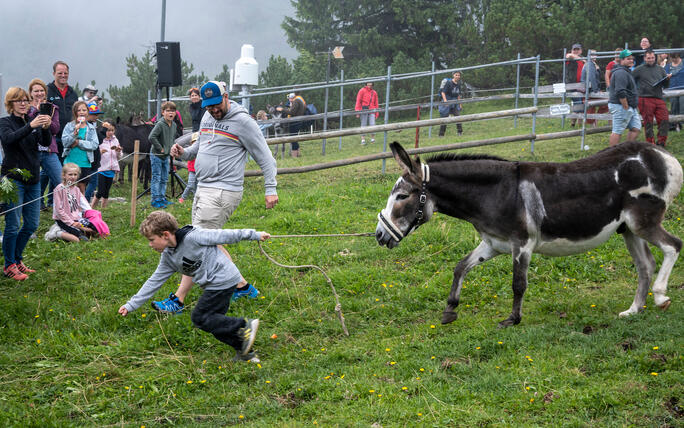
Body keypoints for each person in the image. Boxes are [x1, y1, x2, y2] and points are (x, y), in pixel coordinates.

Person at [153, 80, 278, 314]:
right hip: (203, 187)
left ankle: (178, 300)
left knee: (195, 242)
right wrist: (184, 152)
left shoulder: (243, 122)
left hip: (223, 190)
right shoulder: (208, 116)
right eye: (208, 106)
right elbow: (201, 145)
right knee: (210, 240)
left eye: (217, 104)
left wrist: (270, 188)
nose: (213, 110)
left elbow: (266, 158)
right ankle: (241, 286)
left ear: (227, 96)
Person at [118, 210, 268, 362]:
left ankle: (243, 326)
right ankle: (245, 352)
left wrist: (255, 234)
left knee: (200, 317)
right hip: (215, 284)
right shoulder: (168, 257)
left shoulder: (194, 237)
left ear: (165, 234)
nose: (150, 245)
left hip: (223, 279)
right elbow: (154, 281)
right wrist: (131, 304)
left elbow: (226, 235)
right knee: (214, 323)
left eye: (151, 240)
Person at [0, 87, 52, 280]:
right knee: (12, 225)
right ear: (10, 103)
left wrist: (45, 128)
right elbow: (9, 139)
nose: (23, 103)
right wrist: (31, 125)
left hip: (33, 179)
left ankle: (17, 260)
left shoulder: (31, 122)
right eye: (18, 100)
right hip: (13, 179)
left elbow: (44, 144)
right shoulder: (4, 122)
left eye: (26, 100)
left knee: (31, 224)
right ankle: (9, 265)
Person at [27, 78, 61, 210]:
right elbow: (26, 126)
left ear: (45, 92)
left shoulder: (52, 108)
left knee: (60, 180)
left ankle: (63, 209)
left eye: (42, 90)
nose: (39, 93)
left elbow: (56, 129)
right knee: (31, 182)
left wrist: (48, 121)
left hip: (49, 150)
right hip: (31, 150)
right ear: (31, 93)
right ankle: (34, 206)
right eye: (36, 91)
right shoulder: (25, 108)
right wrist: (37, 111)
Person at [632, 49, 671, 146]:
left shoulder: (660, 69)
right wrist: (635, 91)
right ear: (645, 58)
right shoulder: (639, 69)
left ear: (655, 57)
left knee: (664, 120)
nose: (650, 60)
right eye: (648, 58)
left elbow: (666, 85)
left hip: (658, 98)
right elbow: (629, 79)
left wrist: (667, 79)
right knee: (648, 122)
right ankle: (650, 143)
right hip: (645, 98)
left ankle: (661, 142)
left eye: (652, 57)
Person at [48, 163, 96, 242]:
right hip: (63, 220)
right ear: (64, 175)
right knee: (78, 239)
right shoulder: (59, 189)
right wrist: (71, 223)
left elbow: (83, 204)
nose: (73, 177)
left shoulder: (76, 189)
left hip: (75, 219)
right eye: (70, 174)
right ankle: (55, 233)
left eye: (75, 174)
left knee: (92, 231)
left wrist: (91, 215)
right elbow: (58, 210)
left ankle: (74, 230)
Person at [61, 101, 99, 196]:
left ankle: (80, 210)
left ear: (87, 112)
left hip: (84, 162)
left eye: (84, 110)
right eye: (79, 110)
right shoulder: (69, 126)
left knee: (82, 188)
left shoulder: (91, 128)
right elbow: (65, 142)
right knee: (68, 188)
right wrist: (74, 134)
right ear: (75, 112)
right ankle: (68, 209)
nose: (81, 112)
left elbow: (94, 145)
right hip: (70, 161)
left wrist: (78, 142)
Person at [608, 50, 641, 147]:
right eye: (628, 59)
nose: (631, 61)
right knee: (617, 131)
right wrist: (625, 106)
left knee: (635, 128)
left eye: (632, 59)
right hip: (620, 105)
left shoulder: (626, 71)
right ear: (622, 60)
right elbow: (620, 91)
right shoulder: (621, 73)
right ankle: (611, 155)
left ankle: (626, 150)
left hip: (630, 106)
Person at [46, 61, 78, 161]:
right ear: (53, 73)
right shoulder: (47, 91)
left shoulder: (73, 93)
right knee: (52, 169)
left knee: (68, 168)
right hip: (53, 138)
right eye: (60, 73)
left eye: (65, 73)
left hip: (69, 137)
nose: (63, 75)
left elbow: (77, 114)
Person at [148, 101, 177, 208]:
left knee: (164, 178)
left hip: (166, 156)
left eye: (173, 111)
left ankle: (162, 197)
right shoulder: (160, 124)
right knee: (157, 177)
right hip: (157, 155)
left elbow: (171, 139)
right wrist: (160, 148)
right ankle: (155, 200)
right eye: (168, 111)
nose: (170, 113)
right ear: (163, 112)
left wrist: (172, 149)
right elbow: (152, 137)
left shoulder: (174, 125)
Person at [91, 121, 121, 209]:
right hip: (102, 168)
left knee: (106, 192)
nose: (110, 132)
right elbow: (95, 153)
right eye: (108, 130)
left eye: (112, 130)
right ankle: (92, 208)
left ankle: (103, 209)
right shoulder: (100, 140)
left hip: (112, 169)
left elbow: (119, 156)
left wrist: (118, 151)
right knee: (100, 191)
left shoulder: (115, 140)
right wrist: (99, 152)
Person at [83, 102, 106, 201]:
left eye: (97, 115)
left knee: (90, 182)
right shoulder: (87, 127)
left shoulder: (92, 126)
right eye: (94, 115)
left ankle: (85, 200)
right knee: (90, 182)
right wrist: (104, 130)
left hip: (94, 160)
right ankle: (86, 200)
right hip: (88, 160)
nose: (96, 117)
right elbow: (97, 142)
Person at [276, 92, 306, 157]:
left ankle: (294, 156)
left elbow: (291, 112)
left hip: (295, 122)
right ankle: (298, 154)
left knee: (293, 139)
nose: (289, 100)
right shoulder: (298, 100)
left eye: (289, 98)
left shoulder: (296, 101)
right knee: (295, 138)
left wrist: (282, 109)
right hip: (297, 121)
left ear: (292, 98)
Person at [438, 71, 464, 137]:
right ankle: (441, 135)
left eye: (459, 75)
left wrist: (460, 104)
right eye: (456, 75)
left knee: (458, 117)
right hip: (447, 102)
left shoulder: (458, 84)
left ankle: (460, 132)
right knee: (444, 118)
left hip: (455, 103)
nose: (458, 76)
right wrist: (445, 101)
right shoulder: (449, 83)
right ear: (453, 75)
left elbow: (458, 95)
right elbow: (443, 93)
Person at [580, 50, 602, 126]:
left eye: (595, 54)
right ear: (588, 56)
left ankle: (593, 122)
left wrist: (598, 69)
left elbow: (597, 76)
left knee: (591, 108)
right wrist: (596, 91)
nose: (594, 56)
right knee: (606, 102)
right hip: (589, 90)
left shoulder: (592, 64)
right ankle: (593, 120)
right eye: (592, 54)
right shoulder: (589, 64)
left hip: (590, 90)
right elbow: (591, 77)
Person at [565, 43, 586, 126]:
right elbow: (568, 56)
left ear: (581, 50)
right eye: (575, 49)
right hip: (572, 85)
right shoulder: (570, 57)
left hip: (582, 85)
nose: (576, 51)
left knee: (580, 104)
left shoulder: (583, 59)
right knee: (579, 103)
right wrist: (581, 59)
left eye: (578, 49)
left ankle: (574, 123)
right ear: (572, 50)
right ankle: (577, 124)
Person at [664, 52, 684, 131]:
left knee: (682, 106)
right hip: (672, 90)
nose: (674, 60)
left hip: (683, 89)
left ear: (679, 56)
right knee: (674, 107)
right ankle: (675, 124)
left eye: (675, 58)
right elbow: (664, 77)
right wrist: (667, 77)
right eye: (672, 58)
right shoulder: (667, 66)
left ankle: (681, 123)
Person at [178, 132, 199, 204]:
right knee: (190, 185)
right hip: (192, 170)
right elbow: (187, 157)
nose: (195, 143)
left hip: (199, 171)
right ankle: (183, 198)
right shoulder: (191, 150)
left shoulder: (202, 150)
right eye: (194, 141)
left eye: (197, 141)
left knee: (197, 186)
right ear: (192, 142)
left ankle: (195, 198)